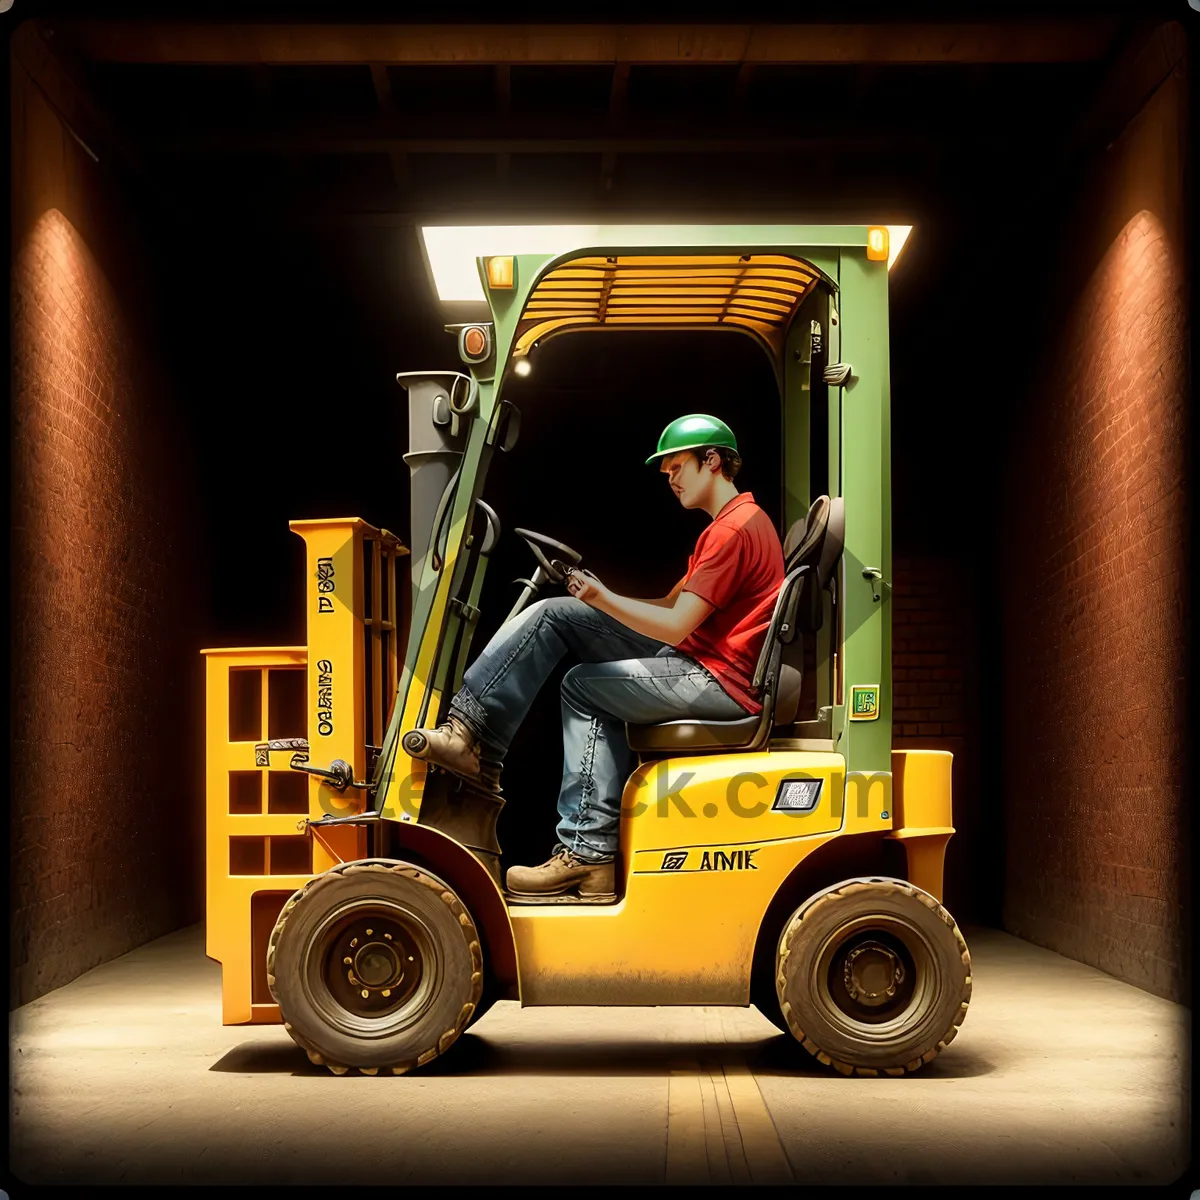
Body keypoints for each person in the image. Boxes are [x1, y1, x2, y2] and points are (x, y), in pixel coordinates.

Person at [405, 414, 785, 903]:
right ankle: (468, 735)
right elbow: (670, 607)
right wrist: (593, 601)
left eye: (677, 468)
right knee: (554, 616)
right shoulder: (730, 525)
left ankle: (586, 854)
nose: (670, 479)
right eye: (666, 472)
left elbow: (674, 626)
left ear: (711, 460)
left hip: (715, 680)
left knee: (582, 687)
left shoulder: (734, 532)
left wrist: (602, 598)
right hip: (699, 660)